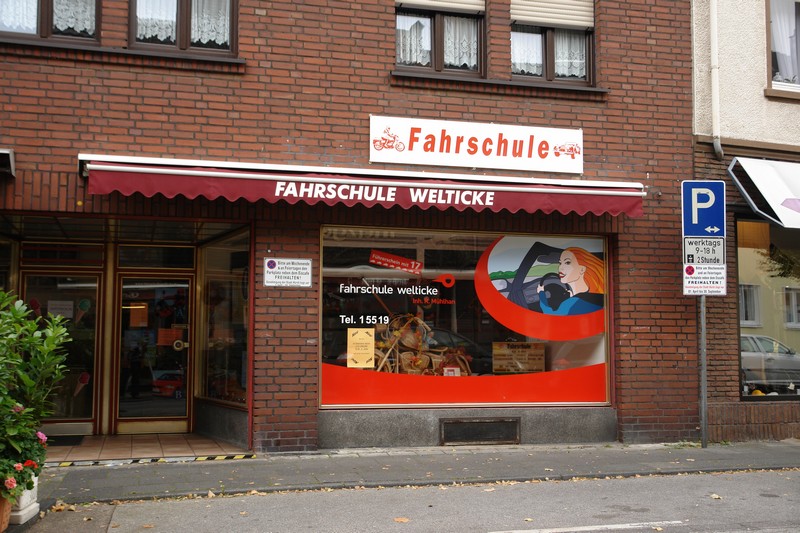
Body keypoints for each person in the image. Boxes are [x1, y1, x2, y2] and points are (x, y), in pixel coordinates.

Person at [537, 247, 604, 316]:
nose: (560, 268)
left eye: (567, 262)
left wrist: (541, 293)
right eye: (560, 263)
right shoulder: (599, 298)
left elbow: (550, 314)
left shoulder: (571, 303)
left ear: (582, 269)